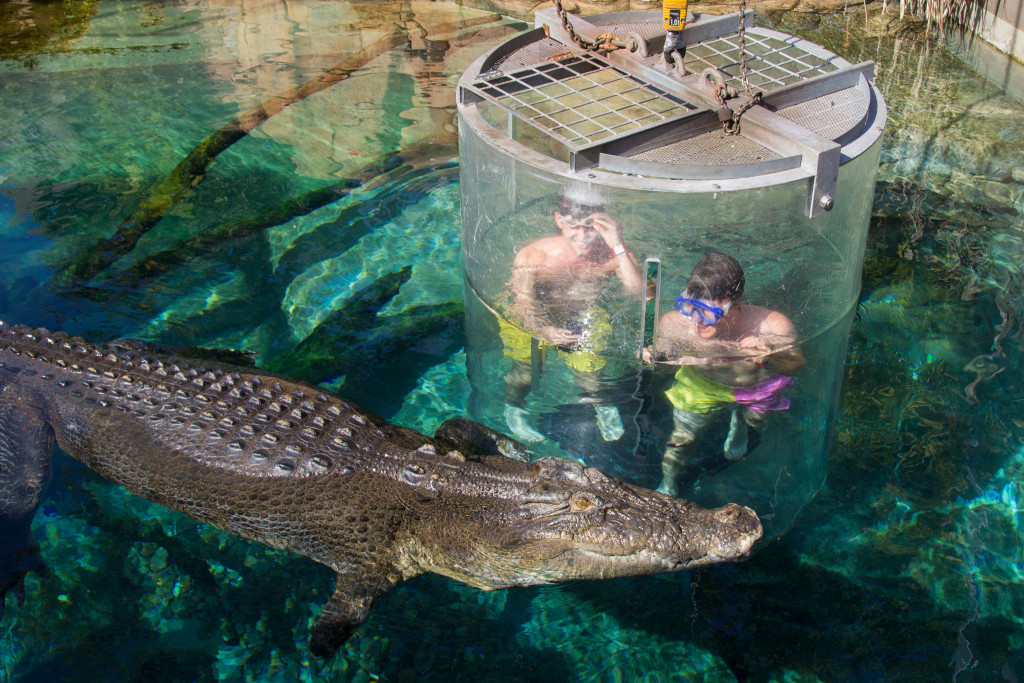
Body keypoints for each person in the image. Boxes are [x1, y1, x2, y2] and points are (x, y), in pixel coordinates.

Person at [643, 252, 806, 496]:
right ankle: (668, 484)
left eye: (709, 312)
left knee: (755, 423)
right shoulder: (674, 323)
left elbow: (797, 365)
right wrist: (653, 357)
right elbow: (666, 362)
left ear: (736, 305)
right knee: (682, 437)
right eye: (691, 307)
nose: (698, 320)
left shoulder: (772, 325)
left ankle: (740, 421)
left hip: (756, 384)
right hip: (703, 382)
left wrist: (769, 357)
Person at [500, 185, 647, 444]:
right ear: (559, 220)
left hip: (584, 313)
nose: (582, 236)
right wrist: (544, 329)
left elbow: (642, 294)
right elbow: (521, 304)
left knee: (591, 374)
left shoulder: (612, 256)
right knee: (528, 372)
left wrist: (617, 244)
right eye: (574, 226)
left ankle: (601, 405)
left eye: (590, 227)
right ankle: (513, 405)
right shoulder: (534, 256)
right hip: (535, 318)